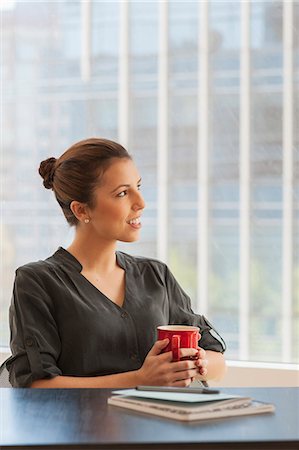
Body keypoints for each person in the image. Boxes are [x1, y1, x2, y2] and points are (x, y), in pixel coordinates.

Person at [7, 138, 226, 388]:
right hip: (77, 426)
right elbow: (35, 385)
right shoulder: (37, 281)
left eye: (139, 187)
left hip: (157, 424)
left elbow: (217, 360)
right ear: (81, 210)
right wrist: (139, 379)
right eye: (122, 193)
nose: (141, 203)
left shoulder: (156, 275)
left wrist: (197, 363)